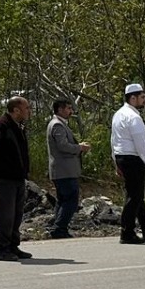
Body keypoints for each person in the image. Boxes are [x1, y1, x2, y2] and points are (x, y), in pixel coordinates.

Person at [0, 96, 34, 261]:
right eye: (26, 108)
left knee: (17, 213)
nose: (29, 111)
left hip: (17, 177)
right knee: (5, 214)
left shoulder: (19, 126)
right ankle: (1, 249)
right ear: (16, 110)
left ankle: (13, 245)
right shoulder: (0, 126)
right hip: (3, 177)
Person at [110, 82, 145, 244]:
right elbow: (141, 145)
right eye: (142, 97)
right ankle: (127, 232)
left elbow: (113, 141)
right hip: (132, 159)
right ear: (133, 98)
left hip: (122, 157)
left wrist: (115, 162)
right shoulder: (133, 117)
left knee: (136, 194)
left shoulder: (118, 114)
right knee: (134, 196)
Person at [45, 99, 87, 239]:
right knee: (70, 200)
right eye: (68, 108)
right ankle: (59, 228)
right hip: (64, 170)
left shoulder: (59, 124)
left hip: (63, 170)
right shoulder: (57, 125)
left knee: (62, 200)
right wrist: (79, 148)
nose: (71, 111)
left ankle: (57, 226)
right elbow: (62, 146)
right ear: (60, 109)